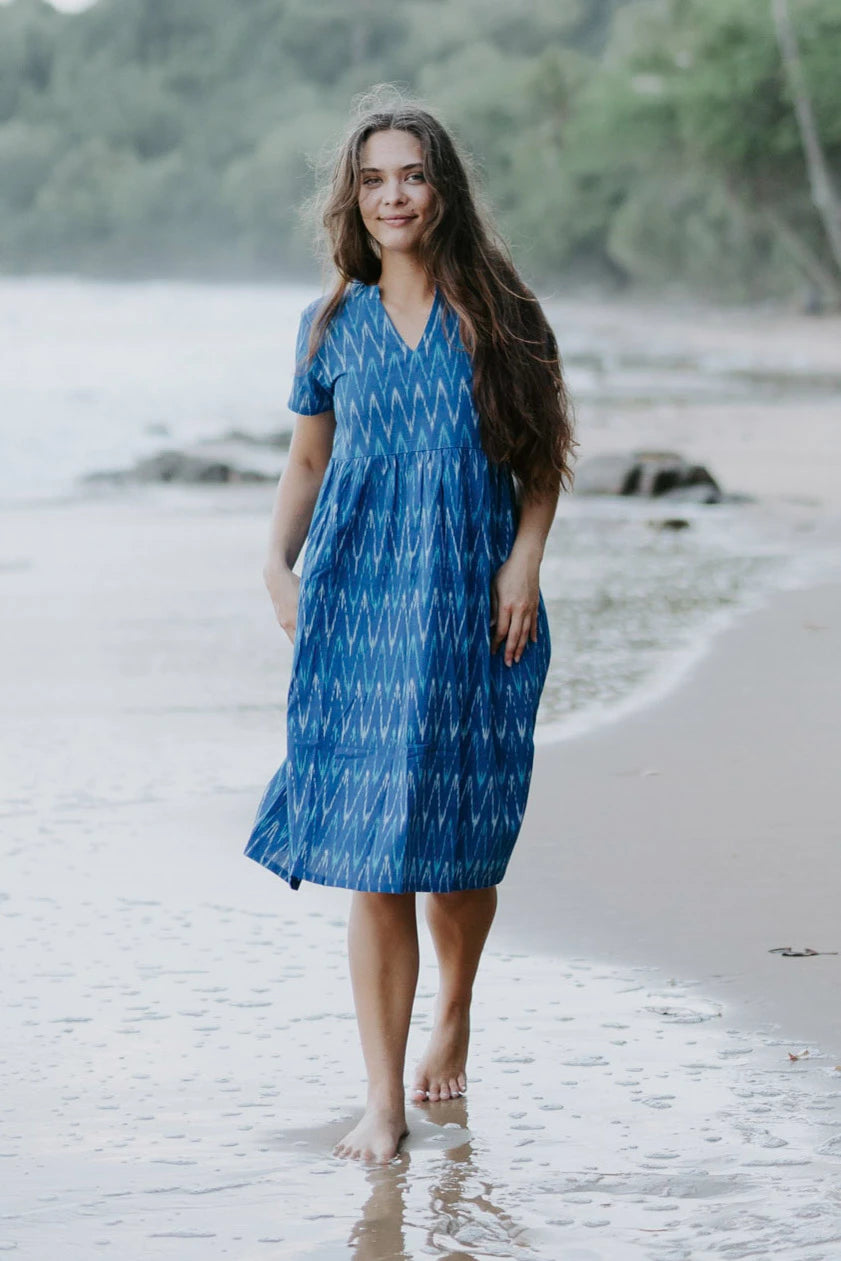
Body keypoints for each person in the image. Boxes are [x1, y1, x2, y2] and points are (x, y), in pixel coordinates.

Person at [244, 87, 575, 1164]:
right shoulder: (329, 323)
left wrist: (525, 558)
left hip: (473, 601)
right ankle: (383, 1099)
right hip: (358, 601)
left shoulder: (503, 313)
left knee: (460, 844)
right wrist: (275, 561)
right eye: (375, 178)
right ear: (353, 196)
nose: (394, 195)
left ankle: (458, 1003)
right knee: (374, 853)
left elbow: (541, 456)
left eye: (413, 175)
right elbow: (307, 460)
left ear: (443, 189)